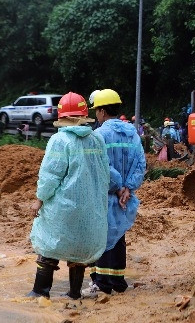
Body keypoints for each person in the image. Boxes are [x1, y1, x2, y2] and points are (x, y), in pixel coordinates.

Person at [28, 92, 110, 300]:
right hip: (89, 207)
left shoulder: (60, 140)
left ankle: (40, 292)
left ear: (62, 116)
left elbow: (50, 175)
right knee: (80, 249)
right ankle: (74, 293)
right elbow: (104, 173)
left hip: (63, 206)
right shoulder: (97, 139)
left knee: (49, 245)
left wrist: (39, 199)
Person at [84, 89, 146, 296]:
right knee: (118, 235)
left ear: (102, 111)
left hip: (106, 195)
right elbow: (140, 163)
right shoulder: (132, 133)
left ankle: (102, 282)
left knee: (101, 236)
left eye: (96, 111)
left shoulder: (98, 135)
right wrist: (128, 188)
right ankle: (118, 281)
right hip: (125, 197)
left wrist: (118, 187)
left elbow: (102, 167)